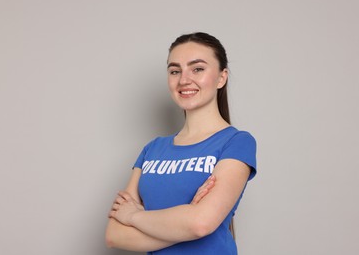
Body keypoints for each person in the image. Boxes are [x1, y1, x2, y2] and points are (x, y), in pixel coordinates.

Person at [105, 32, 257, 254]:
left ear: (221, 78)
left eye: (197, 69)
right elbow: (114, 235)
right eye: (175, 71)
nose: (184, 79)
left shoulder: (237, 142)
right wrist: (185, 221)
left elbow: (200, 224)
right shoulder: (152, 149)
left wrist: (134, 216)